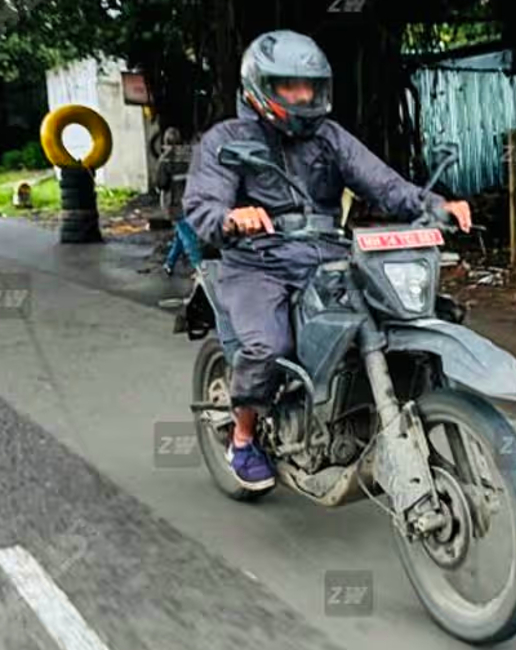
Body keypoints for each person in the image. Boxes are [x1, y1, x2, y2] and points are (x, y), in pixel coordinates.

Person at [182, 30, 472, 490]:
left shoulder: (330, 137)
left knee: (405, 314)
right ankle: (243, 439)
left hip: (330, 257)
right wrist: (232, 218)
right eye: (289, 86)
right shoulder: (227, 139)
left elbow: (383, 183)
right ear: (260, 87)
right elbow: (202, 205)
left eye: (309, 87)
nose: (302, 97)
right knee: (267, 346)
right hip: (257, 263)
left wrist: (435, 205)